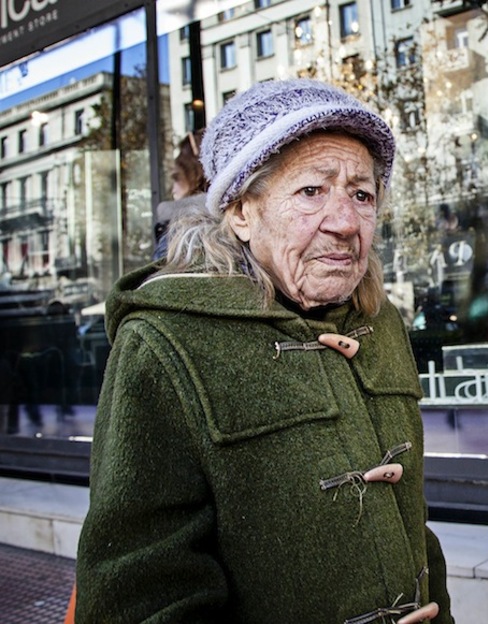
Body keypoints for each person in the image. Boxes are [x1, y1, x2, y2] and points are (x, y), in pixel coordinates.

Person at [75, 79, 453, 624]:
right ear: (241, 212)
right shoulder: (165, 344)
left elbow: (412, 523)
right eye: (311, 191)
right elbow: (144, 598)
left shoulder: (378, 320)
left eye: (361, 194)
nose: (346, 222)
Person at [153, 128, 208, 259]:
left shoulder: (177, 230)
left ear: (195, 175)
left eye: (177, 177)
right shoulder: (239, 218)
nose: (173, 189)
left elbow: (163, 276)